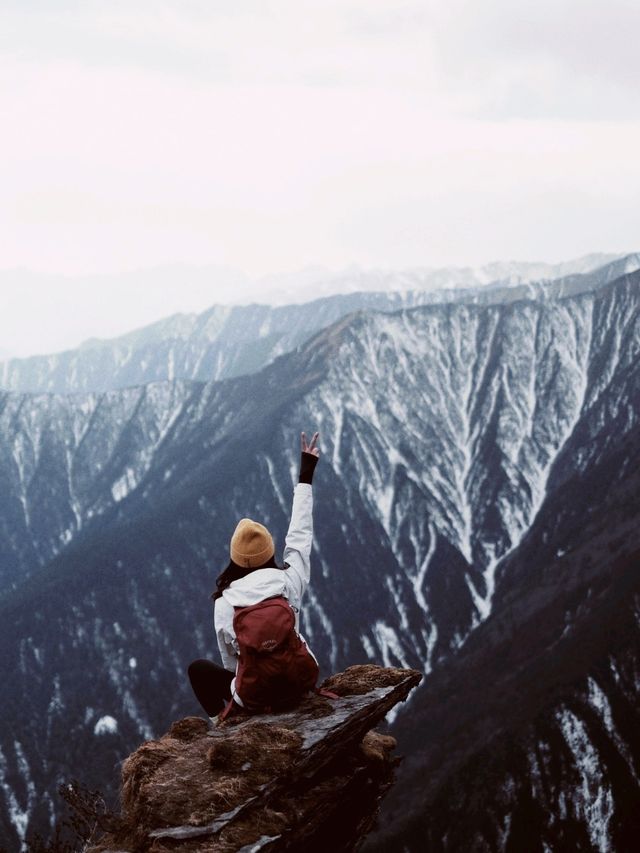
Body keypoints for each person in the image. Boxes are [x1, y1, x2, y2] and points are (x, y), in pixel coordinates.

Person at [188, 430, 320, 723]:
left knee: (198, 669)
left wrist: (244, 694)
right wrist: (306, 474)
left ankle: (221, 724)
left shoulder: (225, 602)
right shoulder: (289, 581)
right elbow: (300, 535)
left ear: (234, 558)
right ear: (270, 551)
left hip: (256, 697)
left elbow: (232, 661)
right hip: (300, 683)